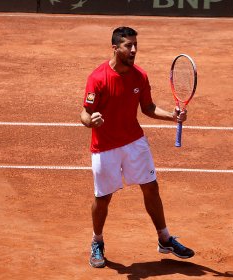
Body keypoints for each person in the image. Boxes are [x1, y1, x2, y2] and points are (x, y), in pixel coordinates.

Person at [80, 26, 194, 268]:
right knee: (103, 198)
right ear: (115, 48)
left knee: (151, 188)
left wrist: (172, 117)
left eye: (135, 46)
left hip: (134, 142)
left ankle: (165, 239)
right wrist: (92, 121)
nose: (133, 50)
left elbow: (148, 108)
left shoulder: (140, 76)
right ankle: (97, 241)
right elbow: (84, 113)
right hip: (105, 146)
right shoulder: (98, 78)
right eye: (128, 46)